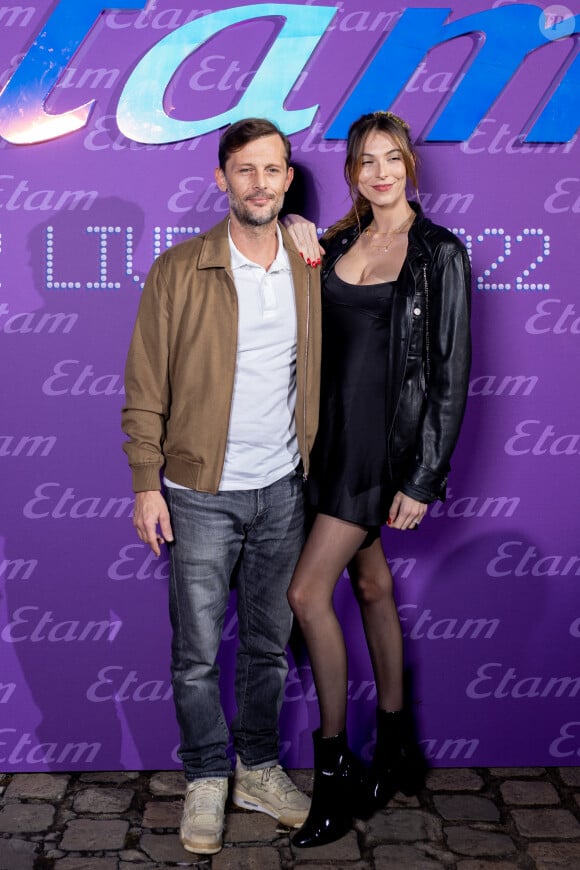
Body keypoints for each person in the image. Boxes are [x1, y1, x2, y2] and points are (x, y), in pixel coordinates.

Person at [121, 118, 321, 856]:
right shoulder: (180, 270)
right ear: (221, 180)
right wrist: (148, 484)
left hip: (283, 491)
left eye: (273, 170)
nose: (260, 183)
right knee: (198, 653)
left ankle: (257, 769)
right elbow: (144, 387)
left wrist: (309, 232)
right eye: (245, 170)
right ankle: (206, 775)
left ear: (288, 178)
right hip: (198, 493)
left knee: (270, 646)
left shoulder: (310, 263)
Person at [283, 111, 472, 847]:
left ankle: (335, 770)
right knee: (371, 586)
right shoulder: (335, 242)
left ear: (410, 167)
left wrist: (423, 479)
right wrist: (301, 235)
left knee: (306, 594)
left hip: (380, 455)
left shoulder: (439, 253)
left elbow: (452, 378)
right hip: (323, 444)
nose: (380, 173)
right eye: (366, 162)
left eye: (391, 159)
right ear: (353, 172)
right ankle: (398, 744)